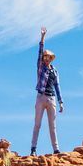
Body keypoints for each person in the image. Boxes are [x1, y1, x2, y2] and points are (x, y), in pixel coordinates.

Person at [30, 25, 64, 155]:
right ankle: (33, 149)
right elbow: (39, 51)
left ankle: (56, 149)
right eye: (44, 56)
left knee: (52, 126)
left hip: (51, 98)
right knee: (37, 124)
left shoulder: (55, 71)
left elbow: (57, 86)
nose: (45, 58)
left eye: (47, 57)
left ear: (51, 58)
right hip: (41, 97)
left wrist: (61, 101)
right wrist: (42, 37)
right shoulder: (40, 67)